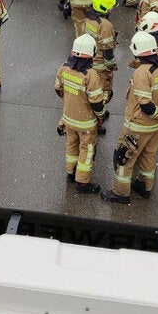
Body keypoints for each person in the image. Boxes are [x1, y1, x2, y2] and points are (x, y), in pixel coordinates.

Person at [101, 32, 158, 203]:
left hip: (138, 126)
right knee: (149, 157)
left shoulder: (142, 73)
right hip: (155, 128)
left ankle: (120, 193)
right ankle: (145, 186)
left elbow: (146, 105)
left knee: (123, 158)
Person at [55, 34, 105, 194]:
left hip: (68, 118)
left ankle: (70, 172)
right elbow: (97, 102)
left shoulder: (63, 68)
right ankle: (82, 182)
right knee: (87, 150)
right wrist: (101, 115)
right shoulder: (90, 75)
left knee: (71, 145)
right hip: (86, 123)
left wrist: (71, 99)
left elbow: (58, 89)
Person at [84, 0, 118, 108]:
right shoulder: (105, 24)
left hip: (89, 60)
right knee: (102, 92)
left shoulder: (89, 19)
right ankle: (98, 115)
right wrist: (111, 66)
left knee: (91, 89)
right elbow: (107, 49)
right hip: (100, 64)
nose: (111, 10)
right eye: (110, 8)